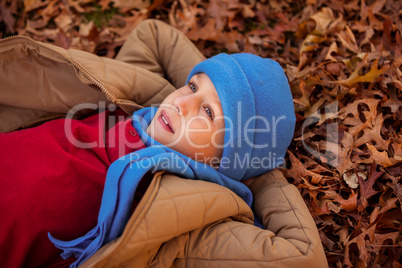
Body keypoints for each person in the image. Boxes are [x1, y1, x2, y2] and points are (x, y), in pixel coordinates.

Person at [0, 19, 328, 267]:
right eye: (190, 86)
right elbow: (154, 35)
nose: (182, 103)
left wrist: (257, 170)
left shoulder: (183, 214)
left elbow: (303, 255)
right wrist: (206, 92)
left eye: (208, 112)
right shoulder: (139, 104)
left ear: (224, 159)